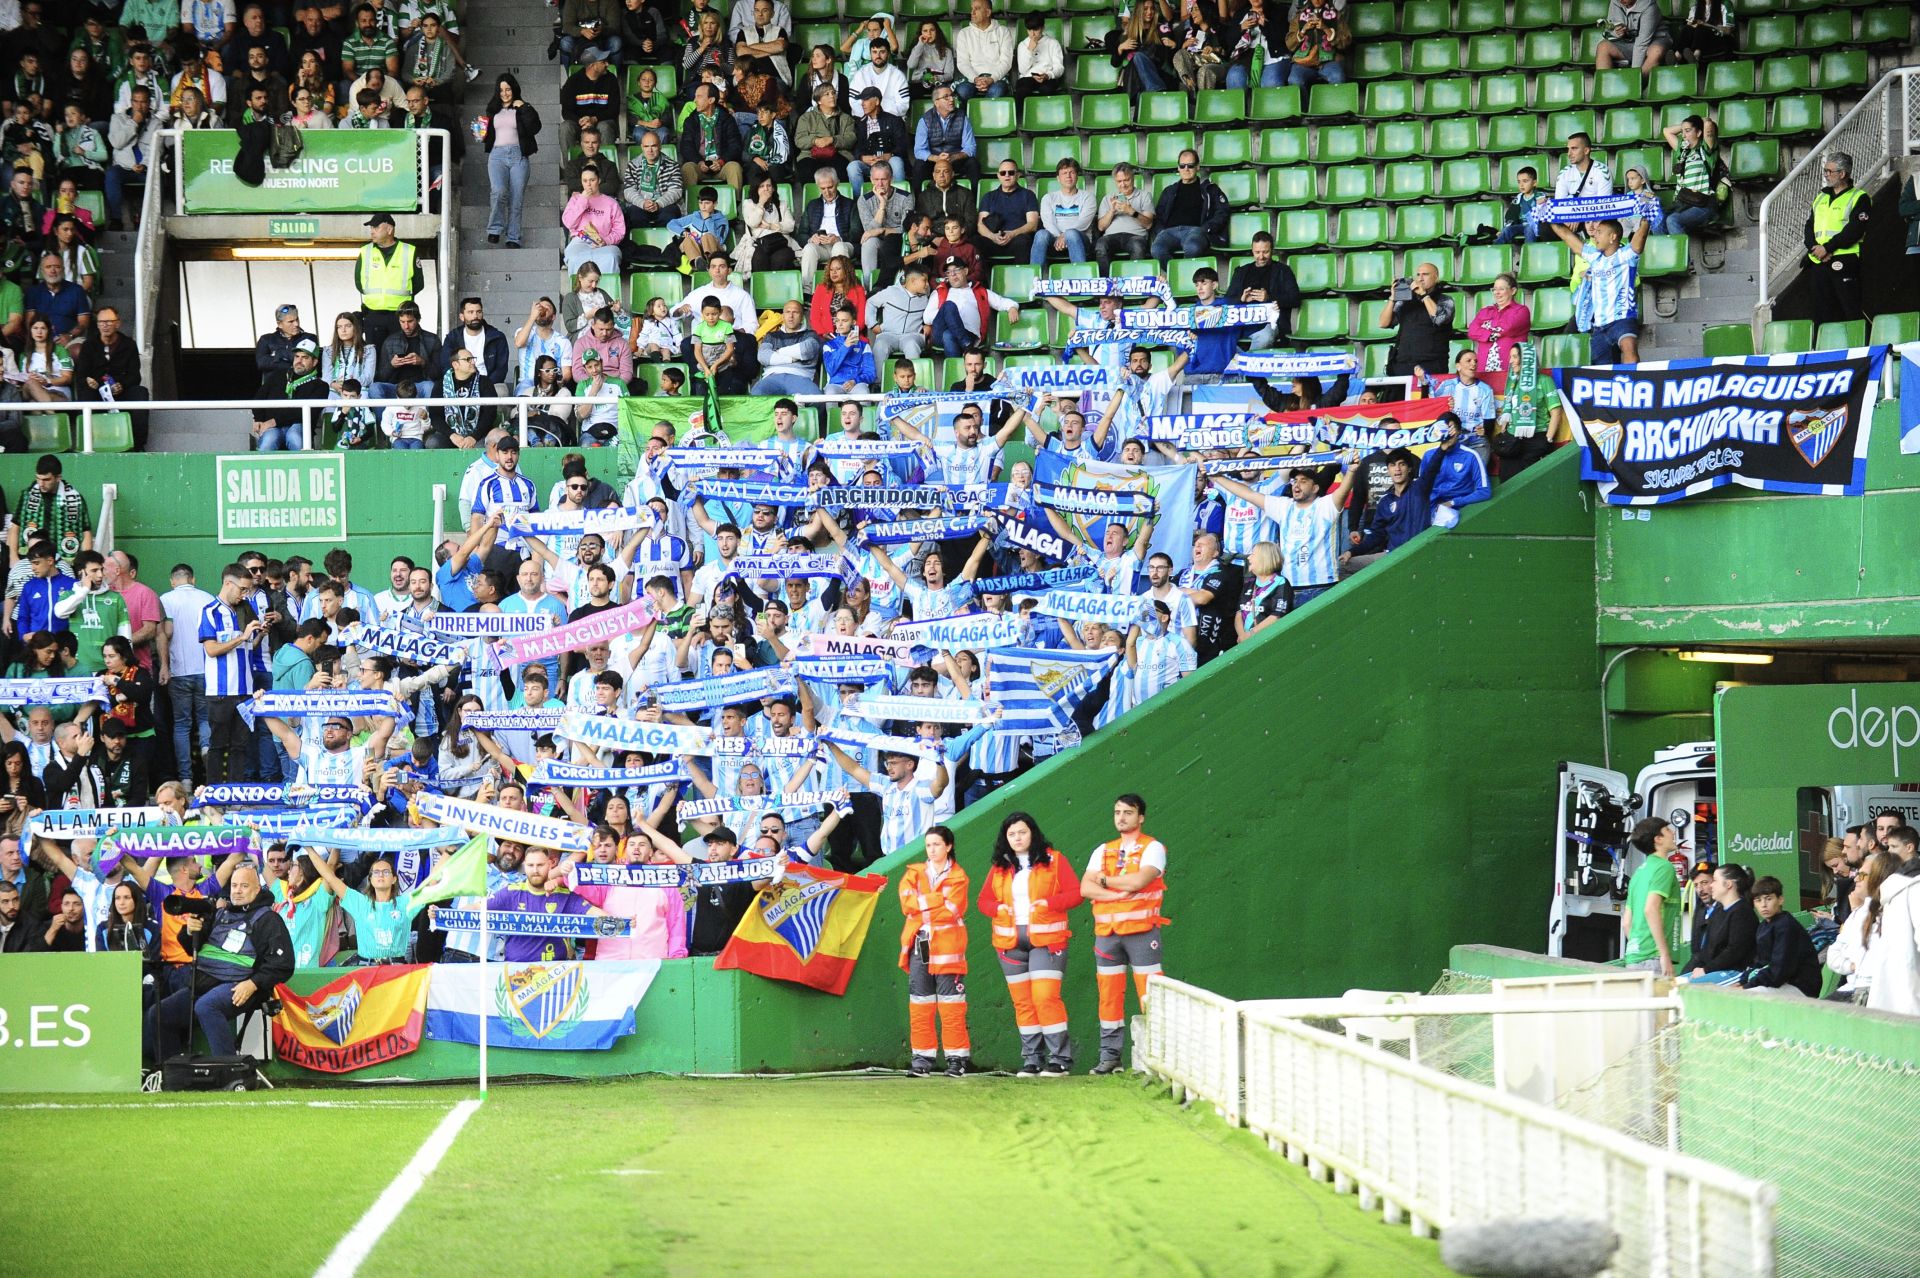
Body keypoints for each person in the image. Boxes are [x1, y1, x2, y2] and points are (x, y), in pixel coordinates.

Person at [144, 862, 293, 1062]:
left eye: (244, 886)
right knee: (158, 1014)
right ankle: (175, 1072)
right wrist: (189, 932)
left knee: (206, 1006)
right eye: (234, 885)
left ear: (257, 889)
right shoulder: (220, 913)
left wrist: (253, 983)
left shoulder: (269, 919)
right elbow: (192, 948)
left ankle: (228, 1070)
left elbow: (283, 963)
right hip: (204, 981)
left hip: (241, 985)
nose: (237, 891)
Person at [975, 812, 1078, 1076]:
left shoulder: (1054, 860)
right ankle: (1032, 1060)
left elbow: (1076, 893)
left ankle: (1060, 1059)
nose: (1017, 838)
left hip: (1047, 941)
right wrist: (997, 909)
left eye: (1022, 832)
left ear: (1033, 833)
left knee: (1045, 997)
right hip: (1010, 943)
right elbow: (983, 901)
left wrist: (1050, 903)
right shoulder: (1000, 867)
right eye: (1011, 834)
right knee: (1023, 1003)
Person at [1076, 792, 1167, 1073]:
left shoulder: (1153, 847)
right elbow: (1085, 888)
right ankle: (1109, 1058)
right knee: (1109, 996)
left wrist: (1104, 881)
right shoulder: (1103, 850)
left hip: (1142, 932)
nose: (1121, 817)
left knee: (1150, 994)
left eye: (1128, 812)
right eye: (1117, 812)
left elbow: (1139, 880)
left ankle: (1157, 1057)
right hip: (1108, 934)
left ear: (1141, 817)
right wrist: (1116, 893)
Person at [898, 822, 971, 1076]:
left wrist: (921, 909)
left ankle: (957, 1059)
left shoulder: (959, 877)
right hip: (920, 945)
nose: (931, 849)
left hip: (948, 947)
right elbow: (906, 904)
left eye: (937, 844)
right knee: (920, 1003)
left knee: (951, 1005)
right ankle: (922, 1060)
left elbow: (953, 911)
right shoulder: (914, 873)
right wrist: (937, 900)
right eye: (928, 845)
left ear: (948, 846)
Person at [1547, 216, 1651, 364]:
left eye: (1600, 232)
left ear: (1612, 237)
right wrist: (1550, 217)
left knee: (1629, 349)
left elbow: (1641, 238)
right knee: (1602, 369)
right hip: (1599, 326)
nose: (1595, 235)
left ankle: (1632, 378)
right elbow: (1567, 236)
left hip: (1623, 319)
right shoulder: (1594, 256)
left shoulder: (1626, 255)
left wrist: (1646, 219)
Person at [1803, 150, 1869, 327]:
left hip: (1845, 260)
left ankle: (1856, 344)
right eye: (1825, 170)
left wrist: (1827, 248)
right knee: (1821, 313)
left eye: (1829, 171)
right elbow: (1809, 226)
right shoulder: (1821, 197)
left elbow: (1855, 230)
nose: (1826, 175)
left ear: (1842, 174)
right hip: (1818, 260)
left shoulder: (1859, 197)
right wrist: (1815, 249)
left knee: (1850, 310)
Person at [479, 73, 539, 249]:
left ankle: (513, 237)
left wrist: (524, 107)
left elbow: (535, 127)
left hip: (518, 155)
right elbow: (486, 134)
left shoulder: (522, 106)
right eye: (501, 90)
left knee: (516, 198)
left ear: (514, 89)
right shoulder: (492, 109)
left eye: (508, 89)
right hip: (497, 155)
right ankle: (495, 228)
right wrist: (480, 133)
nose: (505, 93)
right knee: (498, 191)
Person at [922, 255, 1019, 357]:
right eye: (949, 272)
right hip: (940, 334)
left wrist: (1012, 307)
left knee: (949, 335)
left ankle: (959, 360)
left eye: (956, 270)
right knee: (949, 306)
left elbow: (1001, 302)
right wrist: (949, 316)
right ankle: (967, 345)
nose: (953, 275)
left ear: (966, 271)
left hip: (969, 334)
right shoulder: (940, 292)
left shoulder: (980, 291)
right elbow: (927, 318)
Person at [1741, 876, 1821, 997]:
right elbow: (1760, 963)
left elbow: (1779, 972)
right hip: (1779, 982)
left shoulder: (1786, 926)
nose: (1763, 905)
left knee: (1745, 996)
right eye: (1758, 900)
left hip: (1801, 987)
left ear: (1780, 900)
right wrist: (1742, 981)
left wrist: (1746, 986)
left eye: (1768, 899)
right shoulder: (1763, 925)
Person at [1620, 817, 1680, 976]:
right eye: (1668, 830)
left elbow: (1626, 922)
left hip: (1634, 957)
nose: (1673, 833)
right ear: (1658, 839)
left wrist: (1640, 948)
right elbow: (1651, 909)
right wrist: (1664, 954)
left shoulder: (1639, 873)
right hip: (1654, 958)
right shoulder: (1664, 867)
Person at [354, 212, 422, 351]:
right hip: (373, 314)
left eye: (376, 227)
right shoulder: (365, 251)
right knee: (375, 356)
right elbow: (359, 282)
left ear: (389, 229)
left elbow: (418, 283)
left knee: (401, 355)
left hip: (400, 316)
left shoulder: (408, 251)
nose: (372, 231)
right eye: (371, 228)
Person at [1149, 150, 1227, 268]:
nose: (1186, 169)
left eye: (1190, 166)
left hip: (1195, 231)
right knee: (1156, 250)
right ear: (1178, 168)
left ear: (1197, 167)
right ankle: (1176, 273)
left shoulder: (1210, 189)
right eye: (1182, 166)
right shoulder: (1169, 191)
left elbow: (1222, 212)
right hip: (1169, 232)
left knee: (1192, 247)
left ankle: (1182, 274)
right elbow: (1158, 216)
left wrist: (1207, 228)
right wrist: (1161, 231)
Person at [251, 335, 330, 450]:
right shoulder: (278, 375)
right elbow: (259, 397)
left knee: (294, 437)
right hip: (272, 428)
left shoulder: (321, 386)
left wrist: (274, 421)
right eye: (297, 356)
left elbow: (304, 413)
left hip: (298, 427)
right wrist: (258, 418)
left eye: (305, 357)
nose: (299, 361)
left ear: (314, 362)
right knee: (269, 439)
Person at [1377, 261, 1453, 378]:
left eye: (1425, 274)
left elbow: (1439, 318)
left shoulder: (1445, 300)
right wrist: (1392, 298)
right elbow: (1383, 323)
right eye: (1418, 275)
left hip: (1432, 364)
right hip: (1403, 363)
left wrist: (1424, 295)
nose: (1420, 278)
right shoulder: (1405, 300)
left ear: (1436, 278)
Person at [1689, 862, 1757, 979]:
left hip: (1735, 973)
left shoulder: (1742, 912)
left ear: (1728, 884)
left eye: (1714, 881)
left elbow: (1734, 952)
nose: (1711, 885)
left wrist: (1706, 970)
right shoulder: (1719, 913)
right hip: (1716, 970)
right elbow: (1707, 950)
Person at [1465, 274, 1529, 396]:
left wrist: (1485, 329)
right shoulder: (1485, 311)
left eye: (1501, 289)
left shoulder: (1521, 311)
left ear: (1513, 291)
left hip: (1510, 368)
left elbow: (1509, 327)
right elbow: (1472, 331)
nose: (1497, 293)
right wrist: (1490, 334)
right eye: (1494, 289)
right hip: (1484, 370)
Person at [1660, 114, 1721, 239]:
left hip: (1703, 204)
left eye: (1688, 131)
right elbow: (1666, 131)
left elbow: (1708, 124)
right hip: (1682, 204)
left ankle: (1681, 253)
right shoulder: (1682, 150)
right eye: (1682, 132)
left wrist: (1698, 121)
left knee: (1672, 220)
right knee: (1657, 221)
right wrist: (1685, 126)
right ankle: (1666, 252)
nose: (1683, 135)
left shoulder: (1706, 149)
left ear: (1699, 132)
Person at [911, 86, 975, 186]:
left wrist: (954, 157)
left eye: (952, 96)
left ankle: (973, 195)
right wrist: (936, 158)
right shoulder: (925, 120)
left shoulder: (962, 117)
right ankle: (920, 196)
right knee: (919, 165)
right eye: (946, 97)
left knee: (973, 163)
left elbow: (971, 147)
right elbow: (919, 150)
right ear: (936, 102)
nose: (951, 99)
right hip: (934, 162)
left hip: (955, 160)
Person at [952, 0, 1013, 102]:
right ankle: (968, 113)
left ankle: (983, 112)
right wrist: (976, 79)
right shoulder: (964, 33)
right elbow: (963, 63)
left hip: (997, 78)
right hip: (972, 79)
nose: (972, 12)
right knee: (963, 91)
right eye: (972, 9)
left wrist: (992, 79)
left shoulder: (1003, 31)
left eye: (977, 9)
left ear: (988, 12)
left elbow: (1006, 62)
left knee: (996, 91)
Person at [1596, 0, 1672, 74]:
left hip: (1653, 40)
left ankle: (1636, 81)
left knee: (1656, 51)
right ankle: (1605, 82)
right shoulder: (1615, 2)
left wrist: (1633, 73)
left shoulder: (1649, 6)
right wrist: (1616, 33)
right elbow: (1610, 29)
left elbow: (1642, 43)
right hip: (1629, 41)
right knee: (1603, 47)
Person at [1285, 1, 1348, 88]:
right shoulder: (1299, 16)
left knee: (1338, 77)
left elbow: (1345, 42)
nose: (1317, 0)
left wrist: (1326, 28)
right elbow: (1289, 44)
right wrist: (1303, 30)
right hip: (1304, 62)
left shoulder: (1336, 15)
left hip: (1329, 61)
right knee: (1294, 80)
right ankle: (1306, 98)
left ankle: (1332, 98)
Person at [1494, 166, 1550, 246]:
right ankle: (1495, 248)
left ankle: (1529, 251)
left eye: (1525, 181)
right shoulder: (1518, 198)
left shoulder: (1540, 196)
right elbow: (1511, 215)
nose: (1521, 185)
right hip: (1521, 225)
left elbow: (1544, 213)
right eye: (1519, 182)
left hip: (1535, 225)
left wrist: (1541, 203)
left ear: (1534, 183)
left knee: (1529, 229)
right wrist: (1504, 230)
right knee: (1507, 230)